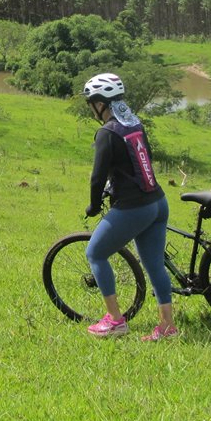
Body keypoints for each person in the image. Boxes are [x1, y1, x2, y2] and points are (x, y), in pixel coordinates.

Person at [82, 73, 178, 341]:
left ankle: (114, 321)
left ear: (101, 103)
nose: (91, 108)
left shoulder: (106, 132)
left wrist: (93, 205)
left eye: (92, 102)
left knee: (96, 253)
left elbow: (97, 177)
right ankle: (167, 326)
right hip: (158, 203)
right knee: (155, 265)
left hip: (134, 208)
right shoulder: (135, 123)